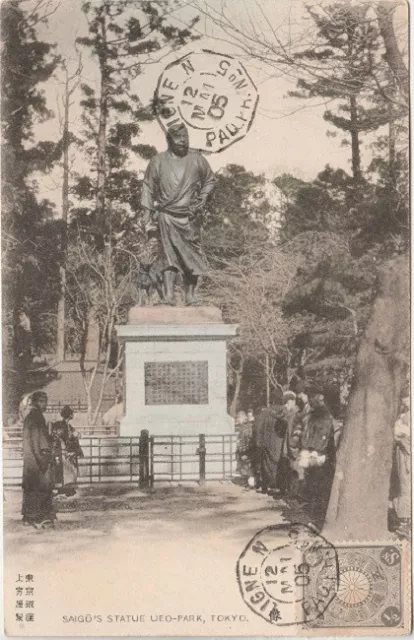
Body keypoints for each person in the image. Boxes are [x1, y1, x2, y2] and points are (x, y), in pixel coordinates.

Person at [141, 123, 216, 306]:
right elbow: (148, 187)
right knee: (168, 256)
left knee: (192, 256)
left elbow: (210, 180)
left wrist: (203, 198)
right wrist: (147, 212)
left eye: (186, 137)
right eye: (179, 138)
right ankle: (168, 296)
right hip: (167, 215)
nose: (183, 141)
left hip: (190, 216)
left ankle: (191, 296)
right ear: (169, 140)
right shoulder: (158, 161)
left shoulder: (197, 159)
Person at [299, 388, 336, 530]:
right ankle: (316, 520)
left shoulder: (322, 414)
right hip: (315, 456)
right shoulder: (316, 413)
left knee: (319, 489)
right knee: (315, 488)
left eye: (311, 397)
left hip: (320, 458)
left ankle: (319, 522)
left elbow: (322, 436)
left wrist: (314, 451)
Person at [22, 391, 55, 529]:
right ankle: (37, 518)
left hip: (30, 459)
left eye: (45, 401)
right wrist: (42, 460)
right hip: (36, 459)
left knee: (30, 488)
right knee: (41, 488)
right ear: (35, 402)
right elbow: (36, 441)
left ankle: (28, 517)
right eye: (41, 401)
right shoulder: (36, 417)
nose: (44, 404)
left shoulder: (30, 416)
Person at [254, 389, 288, 494]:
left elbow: (259, 428)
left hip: (267, 443)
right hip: (280, 443)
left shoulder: (266, 413)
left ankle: (266, 487)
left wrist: (259, 442)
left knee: (266, 465)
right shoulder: (286, 412)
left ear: (273, 399)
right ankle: (281, 487)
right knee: (281, 464)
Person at [390, 395, 410, 539]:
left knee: (405, 487)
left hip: (406, 456)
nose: (405, 400)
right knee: (402, 487)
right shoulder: (403, 417)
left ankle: (405, 521)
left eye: (407, 397)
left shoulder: (406, 418)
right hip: (402, 455)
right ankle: (403, 519)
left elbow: (402, 438)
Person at [52, 406, 84, 497]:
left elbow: (75, 435)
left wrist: (76, 435)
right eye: (72, 413)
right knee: (66, 471)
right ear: (69, 415)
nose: (73, 414)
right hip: (62, 451)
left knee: (70, 471)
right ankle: (65, 490)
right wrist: (74, 436)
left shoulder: (68, 425)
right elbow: (61, 438)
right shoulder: (61, 425)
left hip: (67, 451)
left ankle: (68, 489)